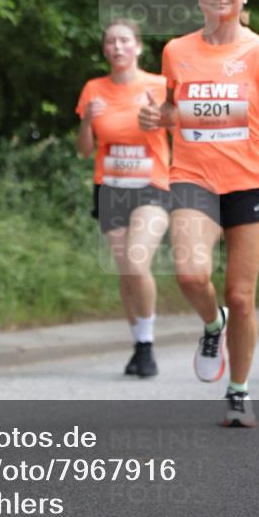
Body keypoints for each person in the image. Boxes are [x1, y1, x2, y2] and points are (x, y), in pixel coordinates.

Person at [139, 0, 259, 427]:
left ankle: (239, 392)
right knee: (189, 275)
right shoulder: (175, 50)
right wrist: (156, 118)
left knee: (242, 295)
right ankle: (212, 324)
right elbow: (174, 109)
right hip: (192, 176)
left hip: (249, 180)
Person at [77, 20, 170, 378]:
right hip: (110, 187)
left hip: (152, 185)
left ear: (139, 47)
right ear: (105, 49)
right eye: (111, 41)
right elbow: (85, 150)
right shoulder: (93, 89)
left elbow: (177, 125)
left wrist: (159, 118)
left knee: (136, 262)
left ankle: (146, 344)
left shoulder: (159, 86)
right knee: (126, 273)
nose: (117, 47)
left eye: (124, 41)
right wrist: (86, 121)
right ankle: (139, 343)